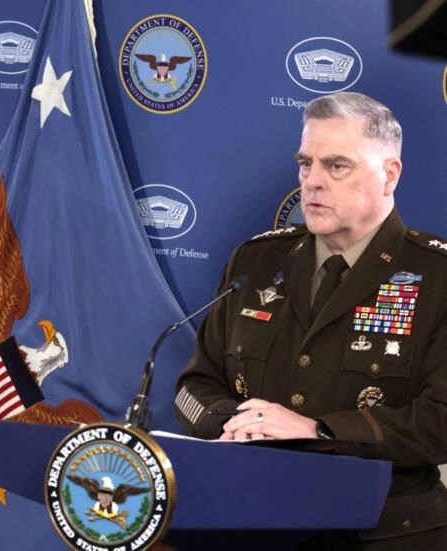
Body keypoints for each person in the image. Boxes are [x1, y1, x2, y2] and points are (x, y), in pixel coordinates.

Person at [174, 91, 447, 549]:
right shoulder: (255, 261)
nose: (312, 182)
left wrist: (318, 431)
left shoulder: (438, 276)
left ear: (389, 175)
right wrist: (239, 423)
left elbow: (441, 420)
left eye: (337, 166)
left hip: (380, 534)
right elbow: (193, 387)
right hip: (248, 521)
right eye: (306, 164)